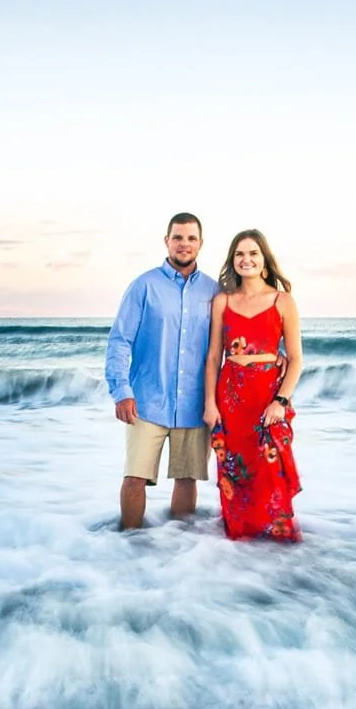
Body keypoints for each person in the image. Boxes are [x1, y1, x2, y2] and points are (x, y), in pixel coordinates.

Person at [106, 213, 220, 530]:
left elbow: (243, 330)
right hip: (146, 401)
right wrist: (122, 391)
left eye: (191, 238)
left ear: (201, 243)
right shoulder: (144, 286)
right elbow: (119, 341)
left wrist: (277, 353)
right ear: (167, 240)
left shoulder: (214, 291)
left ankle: (177, 548)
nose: (184, 244)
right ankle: (129, 544)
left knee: (187, 478)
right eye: (178, 237)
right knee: (135, 476)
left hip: (195, 404)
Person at [202, 230, 304, 542]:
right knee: (234, 472)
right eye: (240, 255)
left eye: (253, 254)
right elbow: (213, 357)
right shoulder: (222, 301)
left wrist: (280, 401)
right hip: (231, 399)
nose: (246, 260)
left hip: (267, 398)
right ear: (232, 262)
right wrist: (210, 403)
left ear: (264, 260)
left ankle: (277, 542)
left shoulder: (283, 301)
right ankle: (241, 539)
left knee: (270, 471)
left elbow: (297, 359)